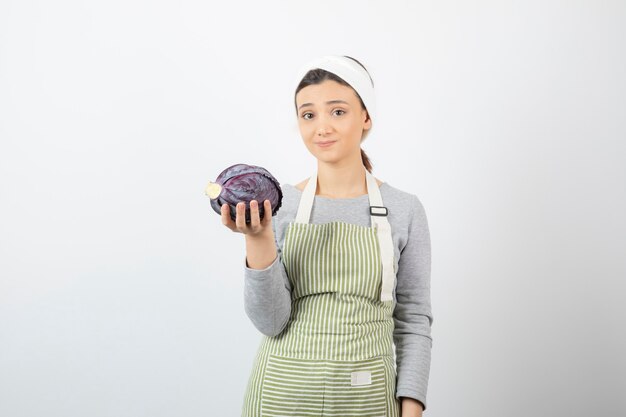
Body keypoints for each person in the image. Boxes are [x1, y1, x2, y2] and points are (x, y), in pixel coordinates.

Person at [220, 55, 433, 417]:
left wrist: (411, 409)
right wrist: (257, 238)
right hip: (280, 396)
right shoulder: (280, 206)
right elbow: (271, 322)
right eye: (309, 114)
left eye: (337, 111)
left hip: (366, 398)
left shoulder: (405, 209)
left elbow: (413, 319)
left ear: (365, 117)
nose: (322, 127)